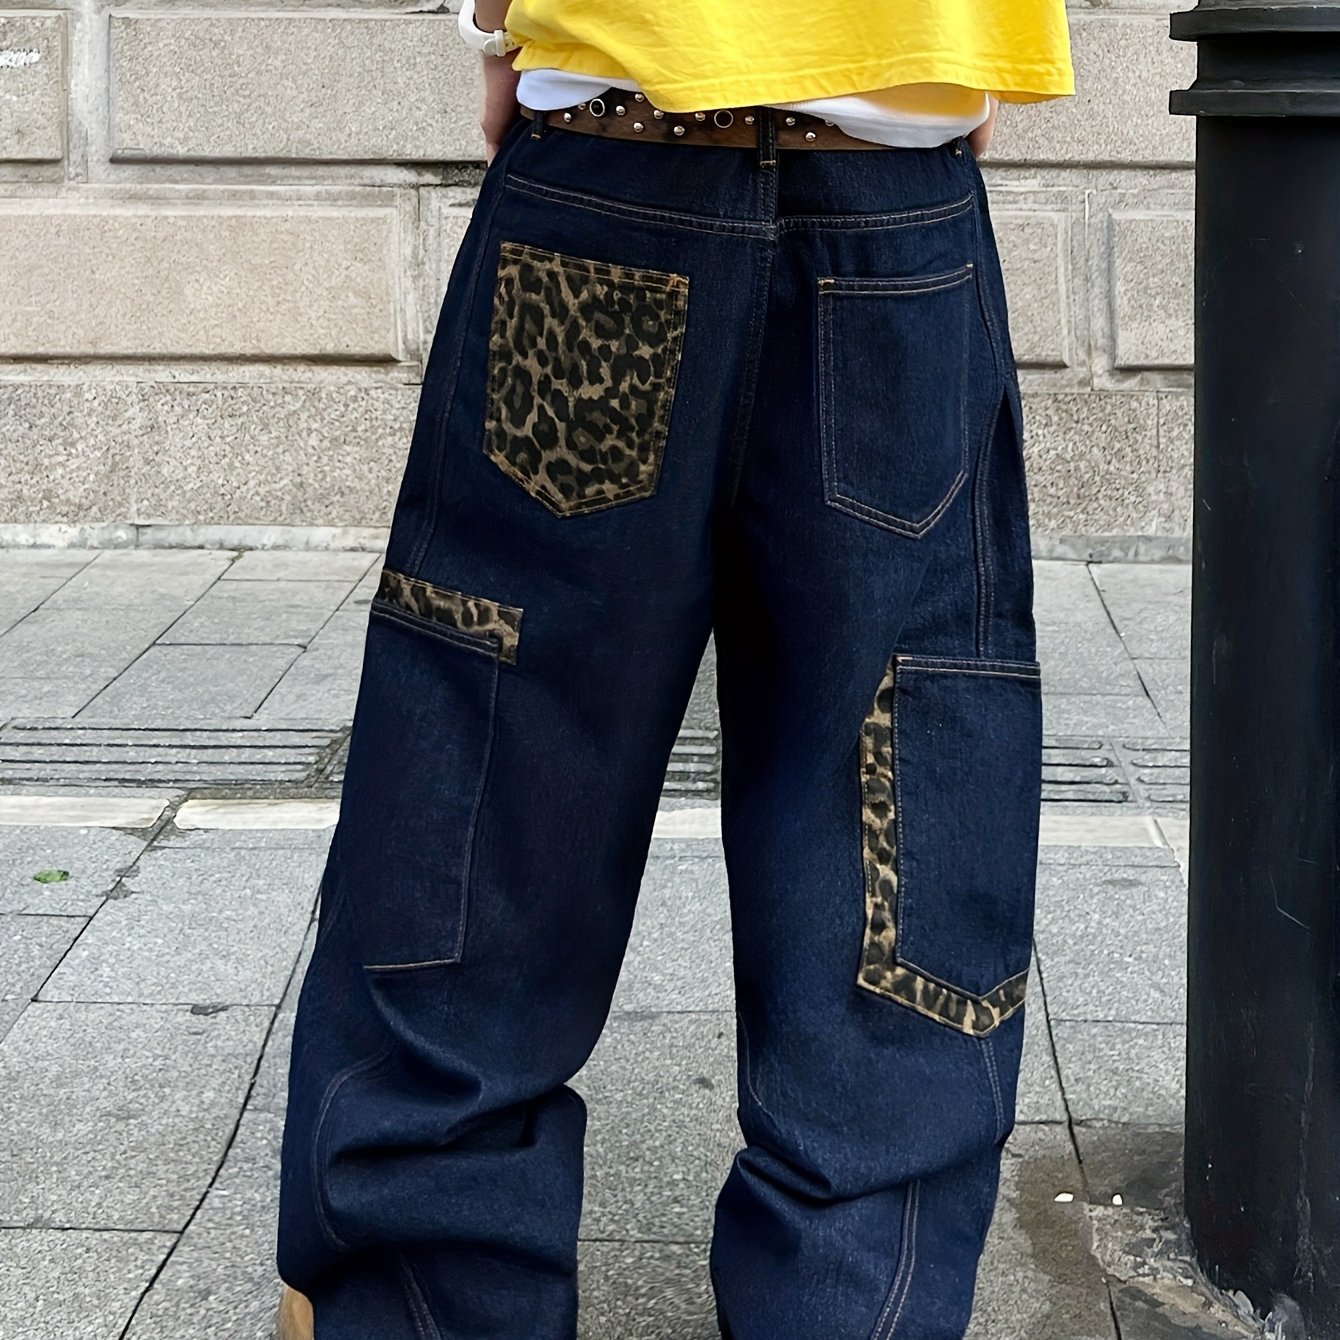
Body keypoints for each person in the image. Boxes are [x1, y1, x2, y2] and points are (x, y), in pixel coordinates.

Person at [274, 1, 1073, 1335]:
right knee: (896, 764)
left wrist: (498, 32)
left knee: (499, 755)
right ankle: (850, 1305)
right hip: (893, 200)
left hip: (613, 166)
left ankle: (428, 1295)